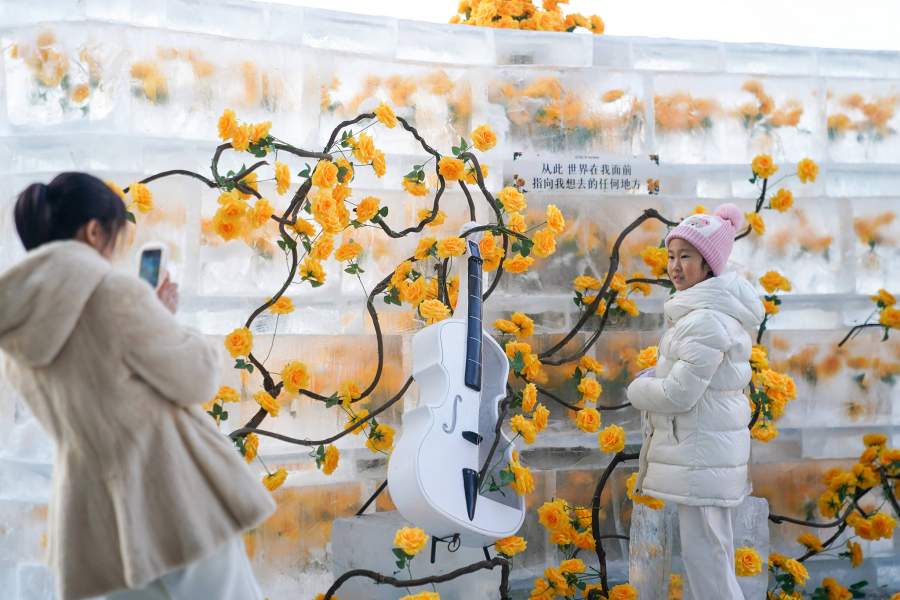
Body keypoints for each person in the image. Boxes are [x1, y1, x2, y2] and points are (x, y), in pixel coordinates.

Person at [0, 172, 275, 600]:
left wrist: (152, 316)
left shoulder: (14, 325)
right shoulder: (113, 293)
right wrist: (159, 316)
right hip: (171, 497)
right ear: (93, 231)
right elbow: (198, 378)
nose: (113, 251)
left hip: (95, 520)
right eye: (114, 237)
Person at [626, 203, 764, 600]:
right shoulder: (702, 312)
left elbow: (679, 394)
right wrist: (659, 376)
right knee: (709, 557)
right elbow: (696, 379)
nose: (675, 265)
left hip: (703, 457)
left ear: (709, 265)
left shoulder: (705, 319)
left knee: (709, 563)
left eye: (686, 256)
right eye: (671, 255)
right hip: (704, 455)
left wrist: (638, 390)